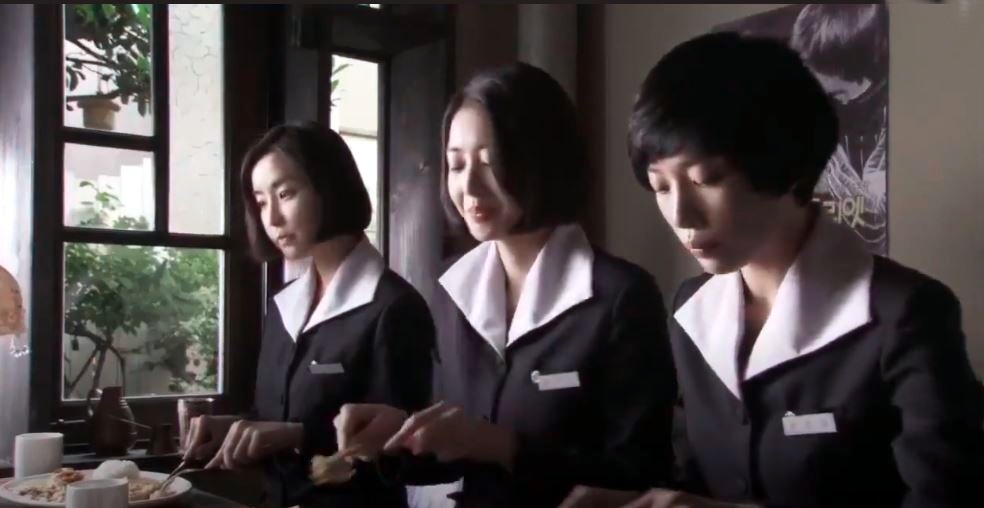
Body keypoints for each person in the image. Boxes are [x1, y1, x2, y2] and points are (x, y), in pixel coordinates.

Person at [565, 31, 984, 508]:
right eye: (661, 187)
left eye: (705, 180)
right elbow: (700, 478)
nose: (680, 215)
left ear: (785, 164)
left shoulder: (906, 315)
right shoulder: (691, 310)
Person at [332, 62, 679, 507]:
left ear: (543, 160)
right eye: (456, 164)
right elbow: (455, 450)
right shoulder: (451, 292)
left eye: (490, 161)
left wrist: (501, 446)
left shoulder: (620, 297)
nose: (470, 186)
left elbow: (640, 476)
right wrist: (398, 433)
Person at [182, 122, 436, 507]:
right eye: (261, 201)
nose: (272, 218)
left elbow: (404, 448)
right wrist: (233, 427)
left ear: (328, 187)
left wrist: (298, 436)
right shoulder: (284, 305)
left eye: (285, 194)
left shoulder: (395, 308)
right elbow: (277, 413)